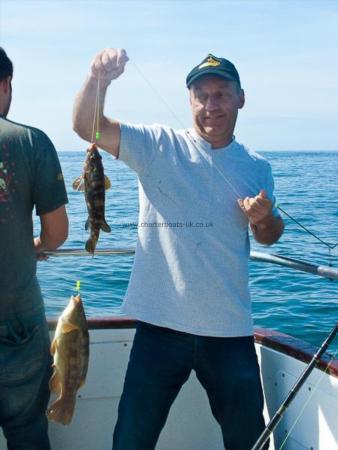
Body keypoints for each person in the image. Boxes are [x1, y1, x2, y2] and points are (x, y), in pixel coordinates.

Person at [73, 48, 284, 450]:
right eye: (201, 95)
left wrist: (263, 219)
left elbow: (269, 237)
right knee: (131, 439)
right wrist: (97, 78)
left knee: (247, 440)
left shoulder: (257, 167)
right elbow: (88, 126)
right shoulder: (156, 145)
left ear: (241, 97)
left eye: (221, 93)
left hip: (229, 330)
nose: (211, 105)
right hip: (160, 326)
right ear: (189, 100)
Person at [0, 47, 68, 450]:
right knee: (27, 435)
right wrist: (35, 245)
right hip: (17, 326)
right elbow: (56, 233)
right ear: (6, 84)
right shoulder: (31, 142)